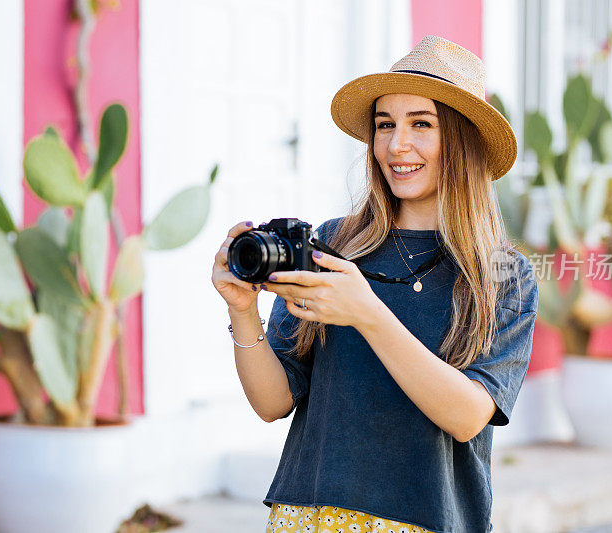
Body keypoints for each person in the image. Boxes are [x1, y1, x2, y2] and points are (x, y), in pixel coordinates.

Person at [211, 35, 538, 533]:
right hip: (309, 519)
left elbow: (468, 416)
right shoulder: (330, 245)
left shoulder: (503, 275)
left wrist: (367, 313)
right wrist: (241, 310)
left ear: (463, 140)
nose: (395, 145)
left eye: (421, 124)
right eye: (385, 125)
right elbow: (272, 403)